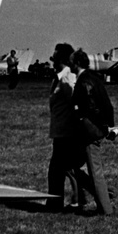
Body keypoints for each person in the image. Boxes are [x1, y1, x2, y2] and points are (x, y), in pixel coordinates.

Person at [70, 49, 115, 215]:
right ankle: (104, 195)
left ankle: (106, 209)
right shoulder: (95, 79)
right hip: (95, 131)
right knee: (72, 166)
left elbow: (88, 109)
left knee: (94, 172)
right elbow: (107, 106)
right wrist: (108, 126)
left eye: (71, 62)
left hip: (89, 133)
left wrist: (79, 115)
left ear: (76, 63)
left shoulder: (83, 82)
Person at [45, 43, 86, 212]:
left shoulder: (66, 76)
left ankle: (63, 202)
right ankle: (69, 200)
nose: (52, 61)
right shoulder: (59, 76)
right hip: (60, 131)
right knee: (63, 169)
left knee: (59, 169)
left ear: (62, 59)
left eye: (54, 58)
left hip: (66, 132)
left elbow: (74, 101)